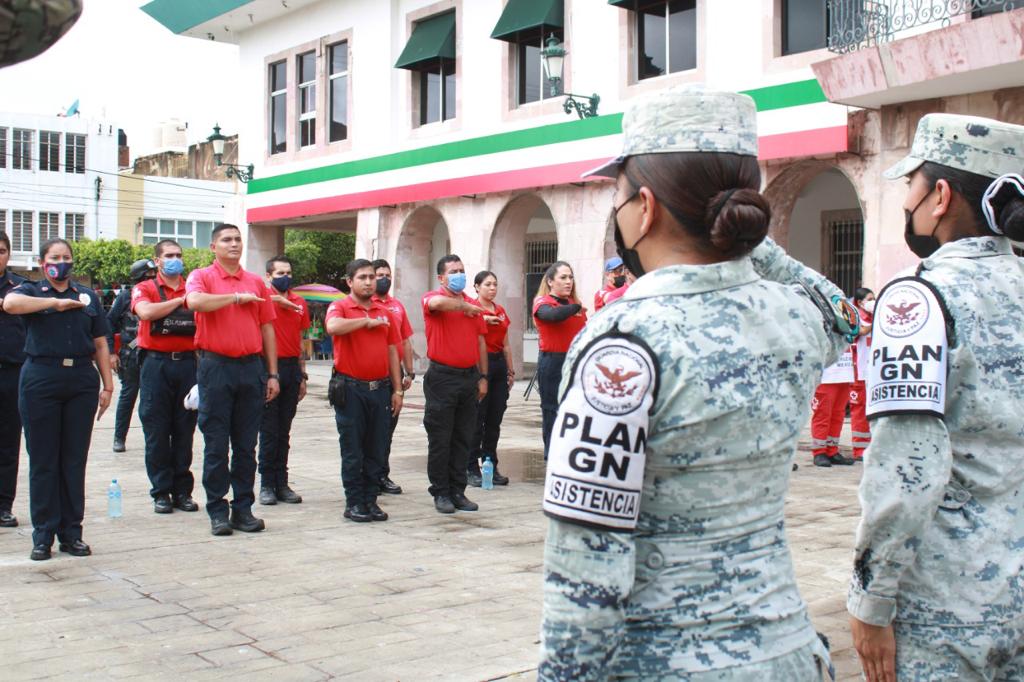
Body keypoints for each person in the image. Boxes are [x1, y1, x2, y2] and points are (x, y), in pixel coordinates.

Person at [539, 88, 858, 679]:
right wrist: (748, 240)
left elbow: (585, 570)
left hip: (669, 662)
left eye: (617, 197)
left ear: (644, 207)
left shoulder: (622, 340)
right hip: (787, 652)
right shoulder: (792, 314)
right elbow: (845, 316)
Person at [848, 114, 1024, 682]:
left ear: (941, 196)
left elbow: (908, 468)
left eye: (911, 184)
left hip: (946, 608)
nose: (907, 201)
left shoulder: (920, 301)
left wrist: (871, 598)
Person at [2, 238, 114, 561]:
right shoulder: (31, 291)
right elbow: (10, 305)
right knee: (43, 460)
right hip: (41, 376)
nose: (61, 262)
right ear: (42, 262)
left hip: (80, 379)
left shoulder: (87, 296)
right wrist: (54, 303)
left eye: (66, 257)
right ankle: (43, 535)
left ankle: (71, 533)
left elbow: (100, 343)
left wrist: (107, 386)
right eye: (54, 257)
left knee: (73, 460)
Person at [185, 223, 279, 537]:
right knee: (216, 445)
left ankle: (243, 509)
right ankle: (217, 510)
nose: (234, 244)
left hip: (250, 368)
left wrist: (272, 373)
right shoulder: (202, 276)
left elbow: (267, 327)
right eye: (227, 239)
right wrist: (235, 298)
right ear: (214, 247)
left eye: (238, 239)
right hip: (215, 367)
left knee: (246, 446)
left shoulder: (256, 282)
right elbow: (195, 302)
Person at [326, 259, 403, 522]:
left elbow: (392, 351)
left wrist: (397, 390)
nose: (370, 282)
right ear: (350, 281)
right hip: (350, 389)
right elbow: (332, 327)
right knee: (353, 449)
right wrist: (365, 322)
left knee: (376, 448)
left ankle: (371, 500)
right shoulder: (340, 307)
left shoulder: (386, 312)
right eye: (363, 277)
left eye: (372, 277)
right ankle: (354, 502)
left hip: (380, 389)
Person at [132, 240, 200, 515]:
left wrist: (181, 300)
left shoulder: (193, 287)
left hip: (188, 364)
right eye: (169, 255)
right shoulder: (146, 287)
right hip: (156, 364)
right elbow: (146, 311)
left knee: (185, 429)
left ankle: (183, 491)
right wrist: (179, 302)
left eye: (179, 255)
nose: (175, 259)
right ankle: (161, 491)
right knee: (157, 430)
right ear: (157, 260)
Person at [421, 254, 488, 514]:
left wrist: (482, 376)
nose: (459, 275)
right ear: (441, 278)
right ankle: (441, 491)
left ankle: (458, 490)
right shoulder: (433, 298)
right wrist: (462, 307)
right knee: (441, 438)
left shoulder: (472, 304)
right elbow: (437, 303)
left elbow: (480, 341)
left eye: (461, 270)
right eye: (453, 272)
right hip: (442, 378)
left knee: (463, 437)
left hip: (468, 377)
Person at [258, 255, 310, 506]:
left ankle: (282, 482)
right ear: (268, 276)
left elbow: (300, 338)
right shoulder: (262, 299)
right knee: (269, 429)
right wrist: (276, 300)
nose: (285, 277)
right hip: (268, 367)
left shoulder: (299, 302)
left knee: (284, 430)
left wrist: (302, 375)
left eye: (288, 273)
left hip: (291, 368)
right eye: (280, 273)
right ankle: (266, 484)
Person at [532, 261, 587, 459]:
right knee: (552, 410)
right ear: (550, 281)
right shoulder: (543, 302)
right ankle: (553, 456)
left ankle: (571, 454)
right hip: (553, 363)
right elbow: (552, 316)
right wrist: (576, 307)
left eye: (570, 277)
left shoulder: (574, 305)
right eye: (563, 277)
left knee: (576, 409)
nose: (568, 281)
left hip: (576, 362)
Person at [371, 258, 414, 495]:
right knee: (371, 428)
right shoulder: (367, 304)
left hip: (394, 374)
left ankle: (382, 473)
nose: (384, 279)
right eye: (379, 275)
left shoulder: (397, 306)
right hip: (372, 373)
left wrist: (409, 371)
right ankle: (368, 476)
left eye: (387, 275)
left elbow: (405, 340)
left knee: (388, 427)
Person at [467, 270, 513, 487]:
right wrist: (483, 319)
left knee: (494, 420)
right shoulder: (472, 309)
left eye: (495, 284)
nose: (492, 288)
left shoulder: (501, 311)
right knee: (477, 419)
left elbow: (506, 344)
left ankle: (490, 464)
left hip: (498, 365)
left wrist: (510, 371)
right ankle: (471, 467)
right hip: (479, 365)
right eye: (487, 284)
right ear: (477, 287)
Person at [107, 258, 156, 452]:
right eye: (148, 276)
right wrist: (111, 353)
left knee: (152, 399)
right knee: (128, 396)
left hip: (153, 354)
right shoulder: (125, 297)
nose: (153, 279)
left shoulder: (159, 295)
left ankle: (153, 439)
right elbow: (108, 324)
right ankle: (119, 437)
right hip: (131, 355)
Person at [0, 231, 26, 529]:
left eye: (2, 250)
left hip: (12, 372)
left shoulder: (21, 288)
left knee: (8, 442)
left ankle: (3, 505)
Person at [810, 346, 857, 467]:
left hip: (845, 371)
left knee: (838, 415)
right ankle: (819, 452)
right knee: (823, 414)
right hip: (826, 374)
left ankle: (832, 450)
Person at [848, 287, 874, 461]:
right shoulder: (855, 317)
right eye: (869, 299)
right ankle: (859, 449)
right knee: (859, 410)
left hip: (874, 371)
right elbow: (861, 332)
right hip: (859, 371)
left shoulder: (874, 317)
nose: (873, 302)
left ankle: (872, 446)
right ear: (860, 302)